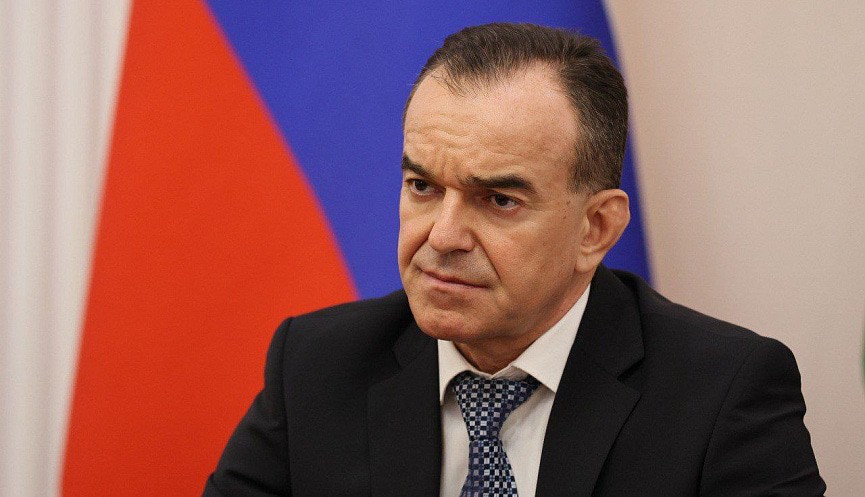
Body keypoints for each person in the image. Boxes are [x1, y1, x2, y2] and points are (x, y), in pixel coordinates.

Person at [203, 23, 825, 496]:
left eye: (498, 200)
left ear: (596, 228)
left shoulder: (721, 398)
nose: (444, 236)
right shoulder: (317, 367)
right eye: (423, 186)